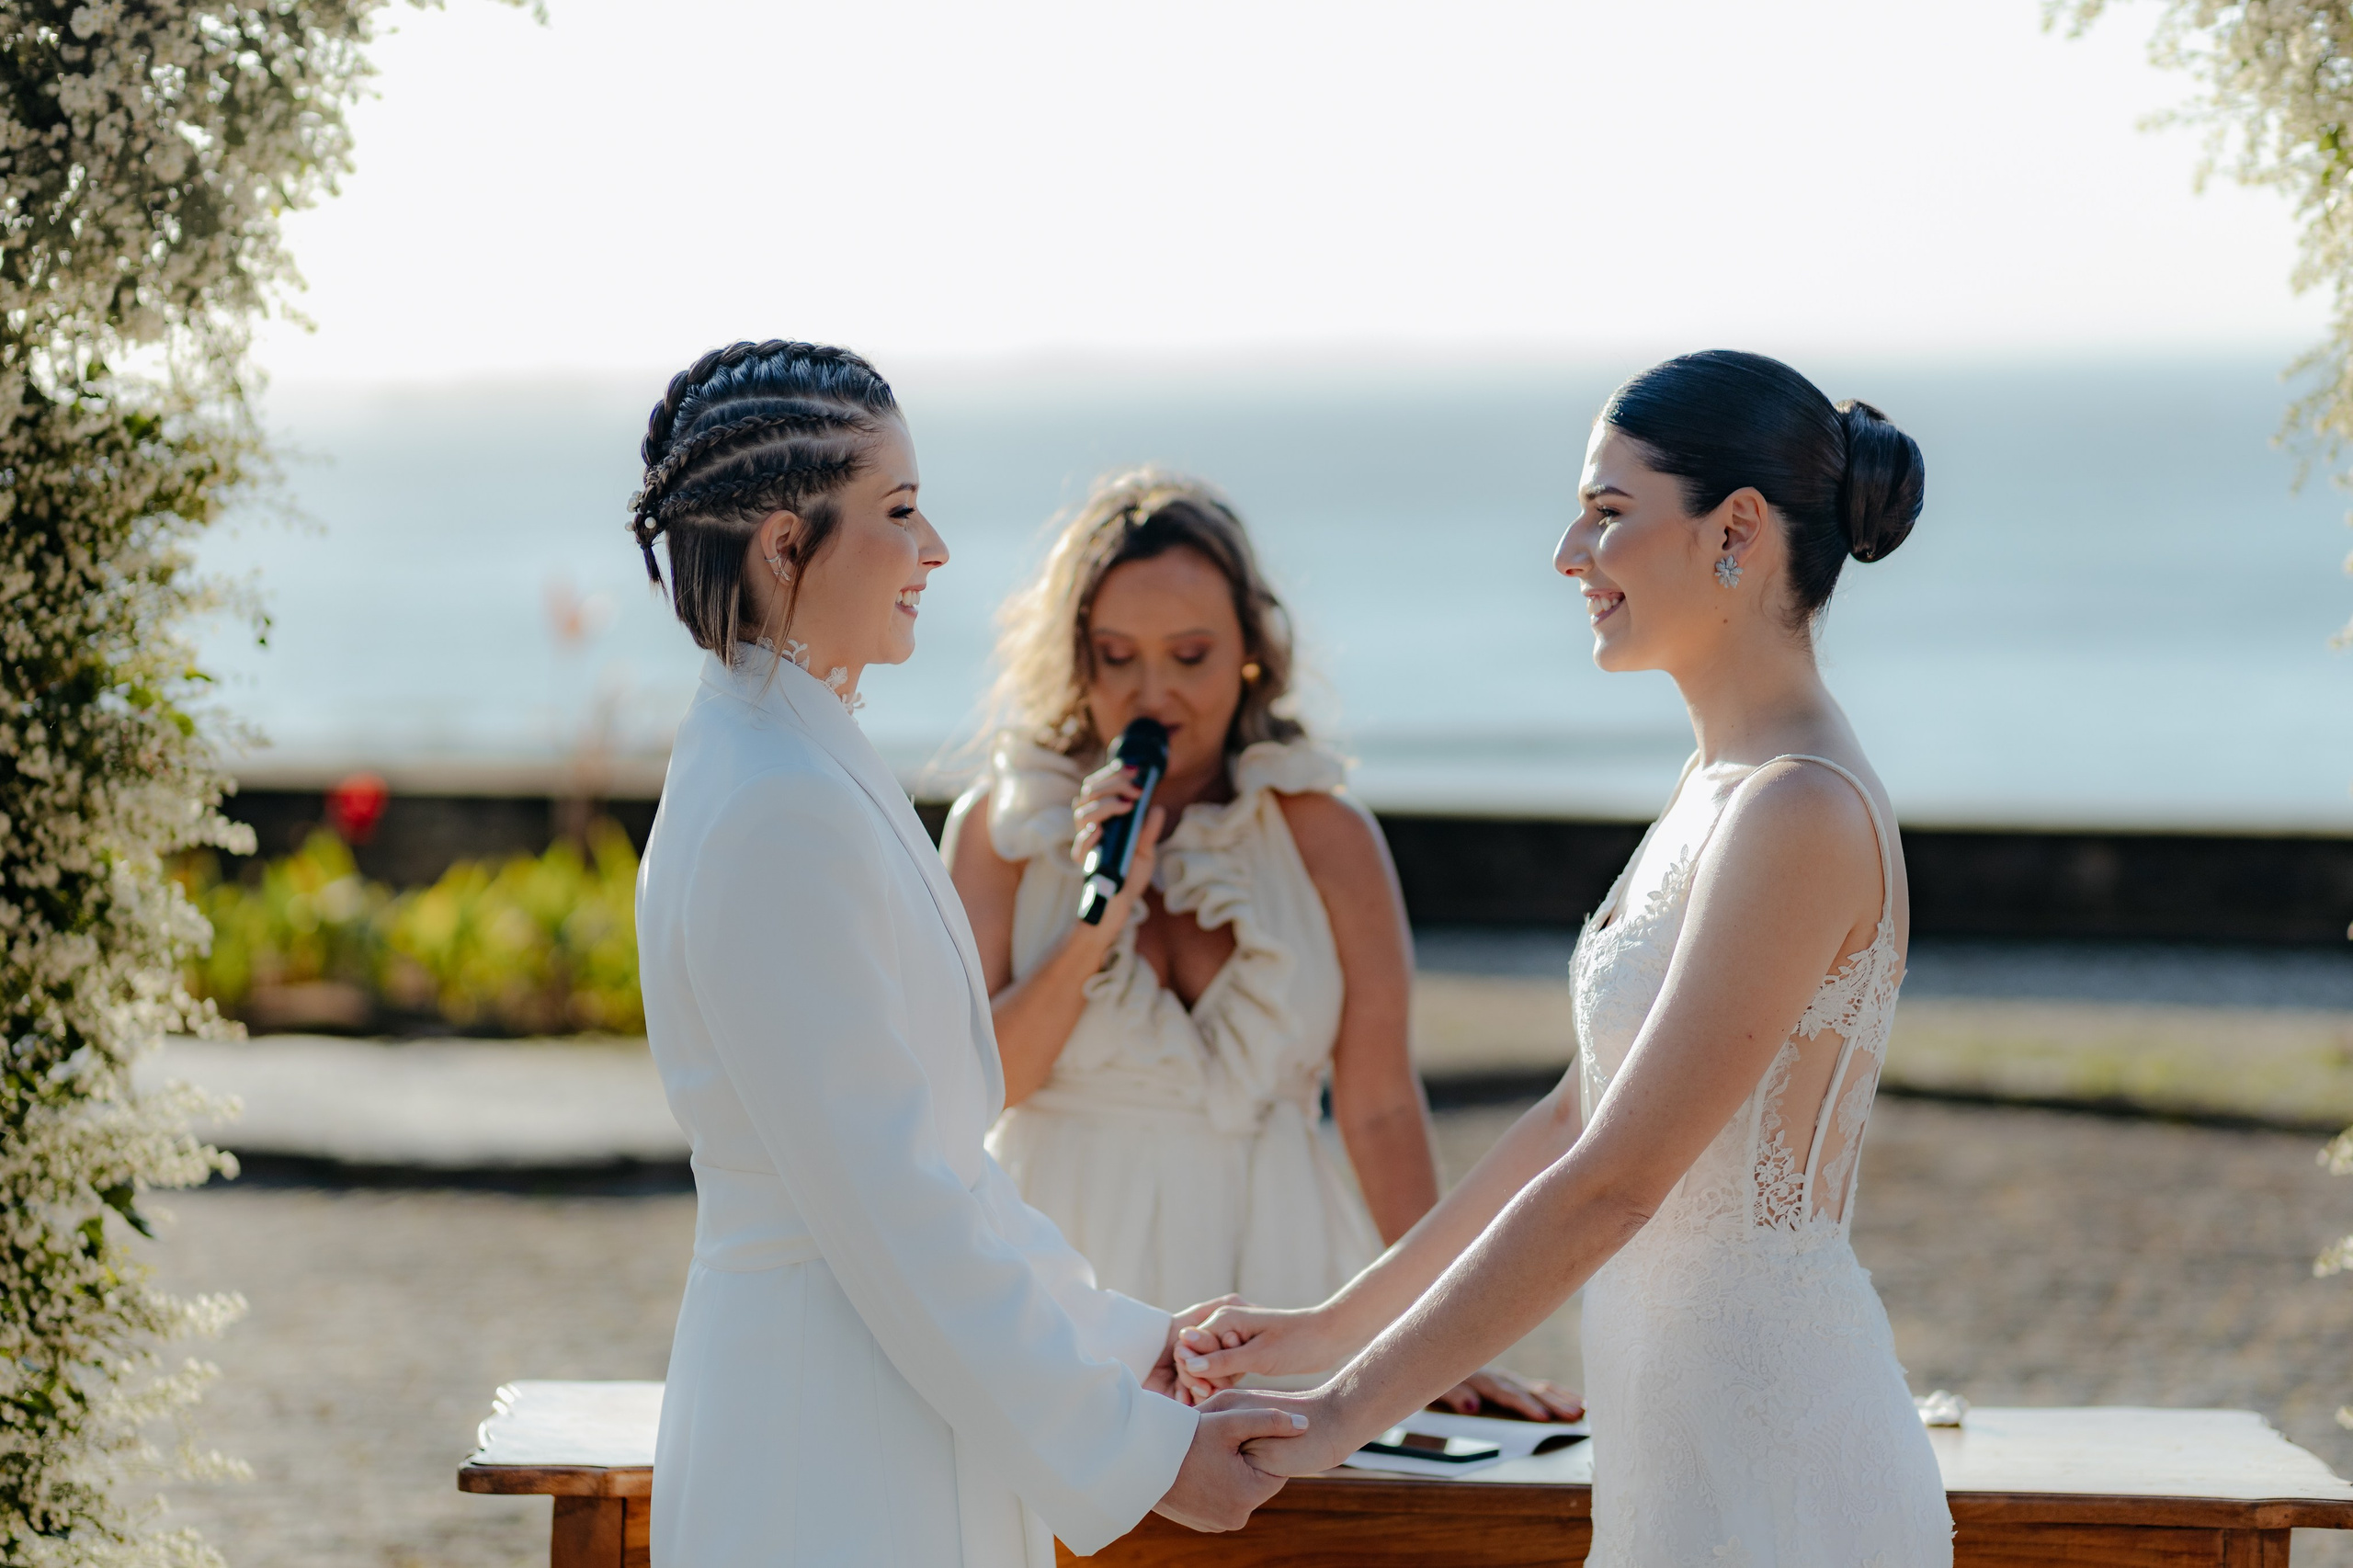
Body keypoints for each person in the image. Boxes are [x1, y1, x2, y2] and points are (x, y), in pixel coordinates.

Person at [1177, 351, 1956, 1565]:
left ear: (1734, 531)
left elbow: (1616, 1182)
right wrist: (1325, 1326)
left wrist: (1339, 1417)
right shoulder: (1718, 785)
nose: (1568, 554)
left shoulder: (1797, 807)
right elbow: (1573, 1121)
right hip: (1679, 1450)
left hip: (1783, 1463)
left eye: (1606, 514)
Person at [625, 342, 1304, 1568]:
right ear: (786, 545)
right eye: (896, 511)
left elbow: (937, 1161)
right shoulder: (776, 795)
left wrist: (1123, 1340)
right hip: (827, 1440)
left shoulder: (783, 749)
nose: (932, 547)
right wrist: (1140, 1453)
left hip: (867, 1390)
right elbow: (897, 1205)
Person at [941, 471, 1580, 1418]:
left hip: (1280, 1264)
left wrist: (1442, 1335)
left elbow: (1376, 1109)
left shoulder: (1326, 835)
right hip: (1065, 1283)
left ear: (1249, 648)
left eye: (1189, 655)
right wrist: (1096, 918)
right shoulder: (1002, 830)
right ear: (1075, 658)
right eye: (1115, 656)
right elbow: (975, 1087)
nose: (1150, 691)